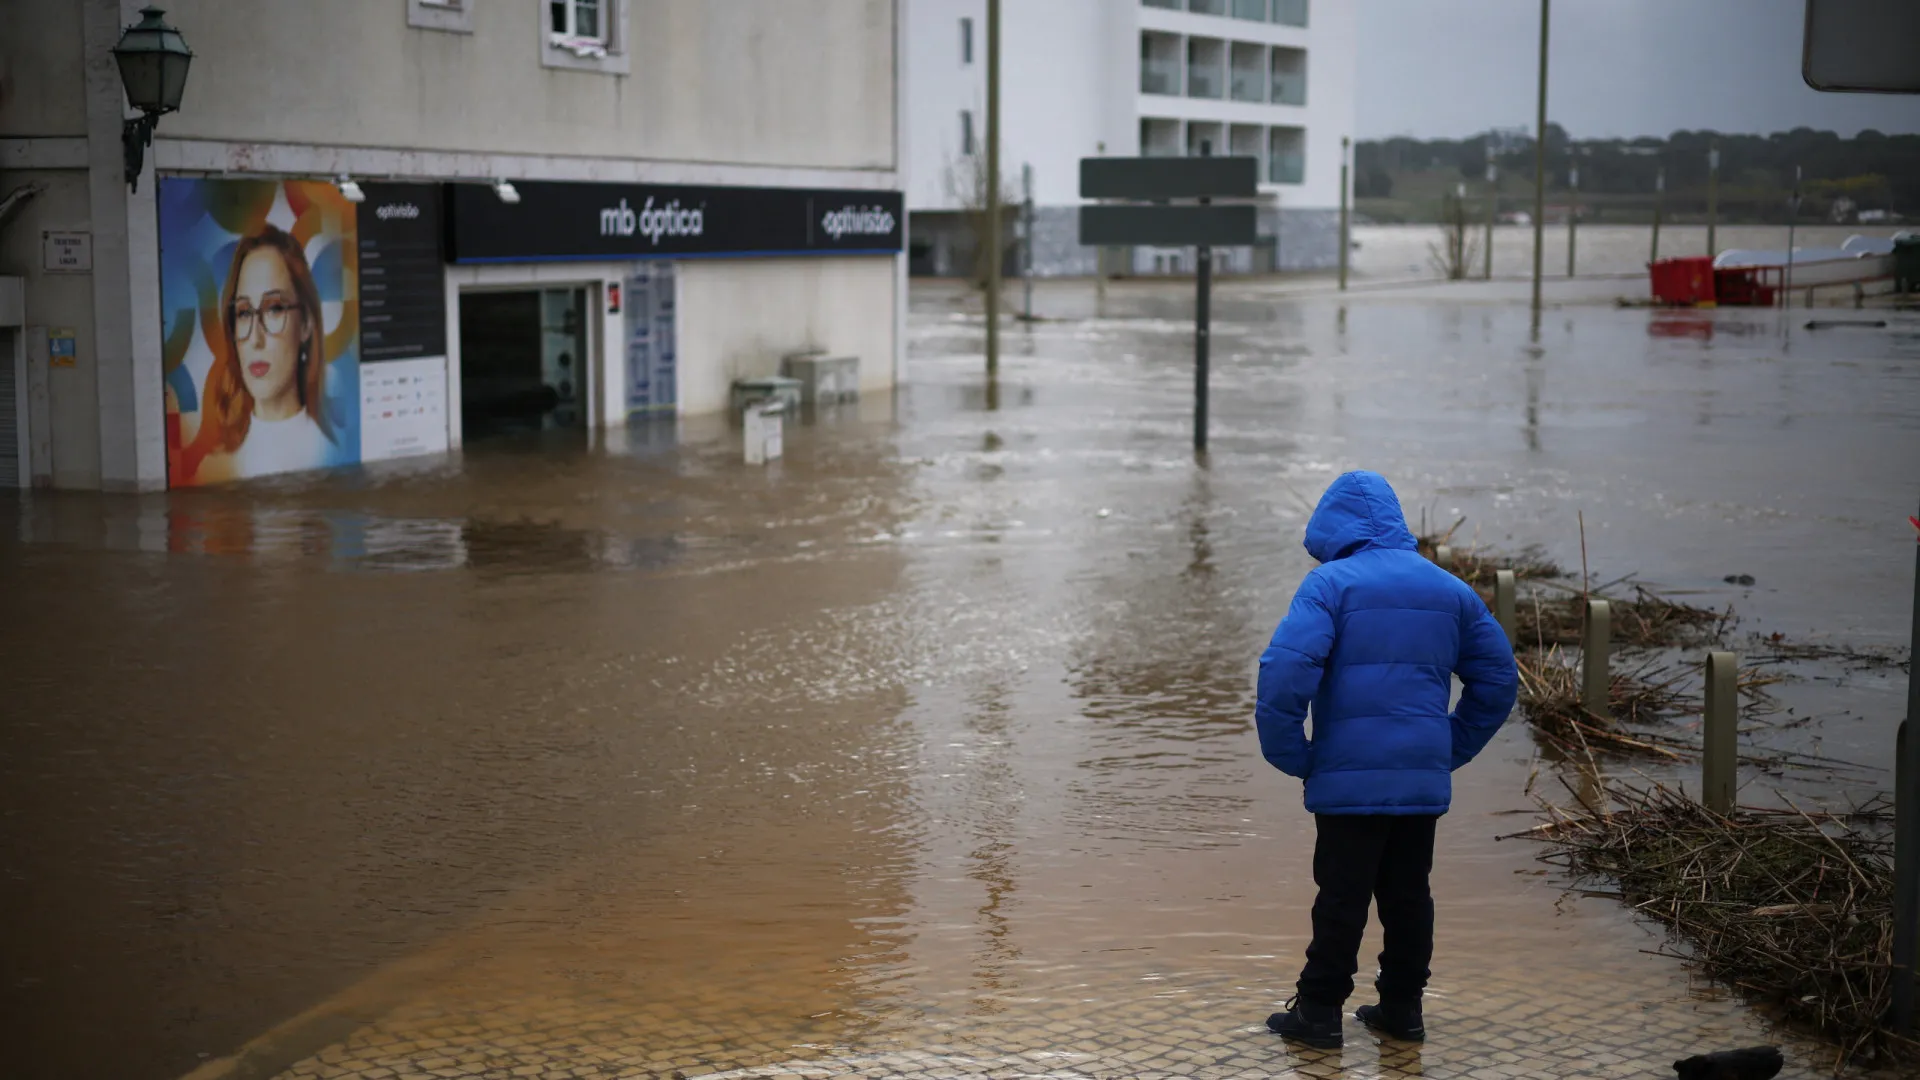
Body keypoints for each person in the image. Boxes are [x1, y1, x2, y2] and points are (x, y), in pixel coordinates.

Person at [1255, 470, 1518, 1049]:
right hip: (1420, 778)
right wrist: (1448, 747)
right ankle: (1402, 1009)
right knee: (1408, 895)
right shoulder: (1450, 590)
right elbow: (1499, 680)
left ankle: (1318, 1013)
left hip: (1347, 778)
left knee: (1341, 896)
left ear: (1332, 527)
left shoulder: (1330, 585)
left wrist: (1293, 754)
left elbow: (1284, 671)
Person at [186, 225, 336, 477]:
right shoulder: (213, 469)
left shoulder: (332, 456)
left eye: (274, 308)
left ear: (305, 324)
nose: (256, 338)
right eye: (244, 313)